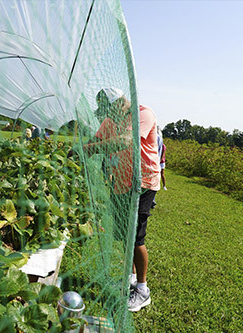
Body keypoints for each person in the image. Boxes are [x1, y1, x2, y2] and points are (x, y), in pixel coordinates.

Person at [80, 88, 160, 312]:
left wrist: (89, 149)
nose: (107, 114)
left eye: (109, 109)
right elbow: (95, 140)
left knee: (136, 237)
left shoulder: (143, 114)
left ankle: (143, 291)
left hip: (143, 182)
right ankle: (129, 280)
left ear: (121, 103)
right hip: (122, 182)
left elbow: (125, 141)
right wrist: (79, 148)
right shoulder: (109, 120)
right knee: (124, 235)